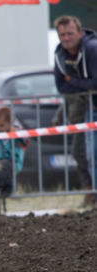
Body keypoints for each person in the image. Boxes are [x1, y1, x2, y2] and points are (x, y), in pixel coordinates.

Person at [53, 15, 97, 208]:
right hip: (83, 108)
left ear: (79, 33)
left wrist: (74, 82)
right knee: (80, 152)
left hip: (91, 106)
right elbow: (61, 86)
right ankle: (90, 192)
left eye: (70, 33)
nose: (66, 38)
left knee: (93, 153)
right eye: (62, 35)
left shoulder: (92, 48)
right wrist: (83, 87)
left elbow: (95, 82)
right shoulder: (59, 55)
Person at [0, 107, 27, 215]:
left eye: (2, 125)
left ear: (11, 123)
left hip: (12, 162)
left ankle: (9, 186)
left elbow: (25, 142)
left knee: (1, 166)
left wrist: (17, 133)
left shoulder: (18, 131)